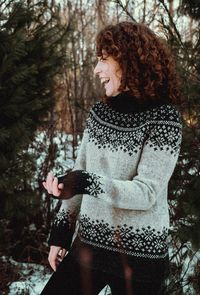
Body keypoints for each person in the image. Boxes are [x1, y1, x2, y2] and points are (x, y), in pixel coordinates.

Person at [41, 21, 182, 295]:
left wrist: (86, 182)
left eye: (104, 59)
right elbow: (80, 172)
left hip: (140, 257)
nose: (97, 69)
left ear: (129, 61)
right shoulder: (99, 113)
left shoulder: (164, 118)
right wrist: (61, 233)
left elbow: (147, 192)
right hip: (90, 247)